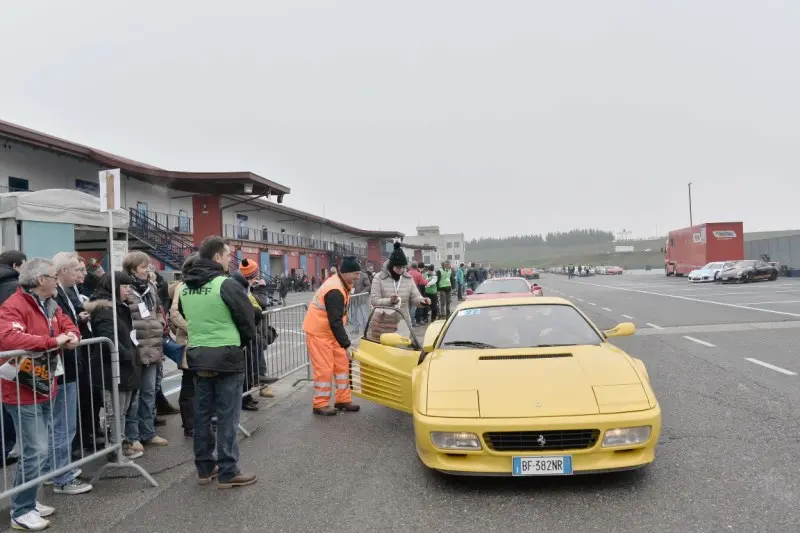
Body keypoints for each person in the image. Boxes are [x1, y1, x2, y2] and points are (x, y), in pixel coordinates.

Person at [0, 258, 80, 531]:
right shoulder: (14, 305)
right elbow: (9, 339)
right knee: (36, 450)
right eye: (53, 275)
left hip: (45, 387)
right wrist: (53, 341)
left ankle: (28, 501)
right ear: (39, 280)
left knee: (38, 450)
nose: (57, 279)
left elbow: (69, 324)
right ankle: (21, 510)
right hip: (21, 391)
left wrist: (72, 336)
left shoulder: (51, 304)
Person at [179, 236, 258, 488]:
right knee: (227, 415)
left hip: (199, 356)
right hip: (226, 356)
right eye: (226, 255)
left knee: (203, 415)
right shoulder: (225, 284)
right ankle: (228, 470)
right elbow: (247, 320)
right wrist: (242, 342)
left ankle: (205, 468)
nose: (228, 260)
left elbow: (185, 314)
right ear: (216, 258)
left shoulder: (185, 287)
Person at [85, 271, 144, 459]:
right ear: (114, 287)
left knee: (123, 410)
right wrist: (127, 355)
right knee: (115, 412)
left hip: (124, 366)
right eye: (125, 286)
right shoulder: (104, 310)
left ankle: (120, 443)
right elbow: (109, 337)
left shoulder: (118, 307)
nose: (129, 290)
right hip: (112, 367)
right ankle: (115, 447)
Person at [49, 252, 94, 494]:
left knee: (61, 424)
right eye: (76, 270)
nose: (81, 274)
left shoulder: (64, 295)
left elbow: (66, 323)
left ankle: (56, 469)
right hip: (60, 367)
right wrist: (70, 331)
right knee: (62, 425)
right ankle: (61, 476)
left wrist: (73, 328)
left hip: (67, 365)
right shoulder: (54, 296)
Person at [303, 256, 363, 416]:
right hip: (319, 333)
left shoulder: (342, 284)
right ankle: (320, 404)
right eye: (356, 274)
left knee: (342, 365)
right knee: (324, 368)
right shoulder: (335, 290)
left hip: (330, 332)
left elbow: (336, 321)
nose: (358, 277)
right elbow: (335, 321)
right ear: (346, 273)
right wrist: (346, 344)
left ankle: (343, 400)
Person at [122, 252, 168, 448]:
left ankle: (148, 432)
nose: (147, 270)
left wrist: (160, 322)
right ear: (133, 269)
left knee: (150, 391)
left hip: (153, 345)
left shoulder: (150, 287)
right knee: (135, 396)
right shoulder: (125, 290)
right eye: (143, 267)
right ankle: (132, 437)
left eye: (148, 266)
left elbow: (158, 308)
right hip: (136, 347)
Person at [0, 250, 26, 469]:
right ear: (17, 266)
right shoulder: (12, 289)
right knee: (8, 405)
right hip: (8, 355)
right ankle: (5, 448)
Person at [168, 254, 197, 437]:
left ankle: (203, 420)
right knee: (189, 383)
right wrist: (192, 328)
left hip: (200, 340)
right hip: (188, 340)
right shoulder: (182, 287)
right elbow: (174, 312)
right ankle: (189, 424)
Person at [370, 243, 430, 328]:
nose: (401, 270)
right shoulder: (379, 278)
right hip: (383, 324)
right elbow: (374, 301)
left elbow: (415, 296)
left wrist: (422, 301)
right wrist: (390, 301)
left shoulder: (408, 278)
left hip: (403, 322)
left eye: (403, 267)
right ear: (391, 266)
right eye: (398, 267)